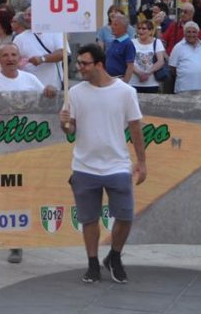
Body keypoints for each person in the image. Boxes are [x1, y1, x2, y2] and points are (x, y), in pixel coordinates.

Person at [59, 43, 146, 284]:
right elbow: (71, 130)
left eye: (84, 63)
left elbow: (136, 127)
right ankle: (92, 263)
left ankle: (114, 256)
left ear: (99, 64)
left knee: (126, 216)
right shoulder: (75, 93)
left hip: (117, 164)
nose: (80, 68)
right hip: (84, 165)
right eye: (78, 64)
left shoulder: (125, 92)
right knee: (89, 219)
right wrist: (64, 122)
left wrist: (142, 161)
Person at [0, 42, 58, 264]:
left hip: (27, 146)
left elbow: (46, 98)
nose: (10, 58)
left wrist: (50, 91)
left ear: (19, 57)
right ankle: (11, 238)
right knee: (6, 193)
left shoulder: (30, 80)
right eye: (5, 55)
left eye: (14, 54)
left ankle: (18, 239)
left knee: (22, 192)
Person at [168, 22, 201, 93]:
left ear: (198, 33)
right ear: (184, 33)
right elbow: (172, 68)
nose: (191, 34)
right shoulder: (178, 47)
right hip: (184, 88)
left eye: (194, 32)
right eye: (188, 32)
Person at [129, 20, 166, 95]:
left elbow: (160, 61)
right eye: (139, 28)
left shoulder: (157, 42)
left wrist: (147, 73)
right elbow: (129, 61)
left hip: (152, 83)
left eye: (144, 28)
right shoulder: (132, 42)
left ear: (150, 31)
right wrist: (139, 73)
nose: (140, 31)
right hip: (134, 82)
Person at [103, 13, 135, 82]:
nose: (112, 27)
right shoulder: (113, 42)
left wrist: (124, 83)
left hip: (119, 80)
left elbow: (130, 66)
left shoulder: (128, 44)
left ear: (124, 27)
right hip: (109, 79)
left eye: (115, 25)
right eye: (111, 24)